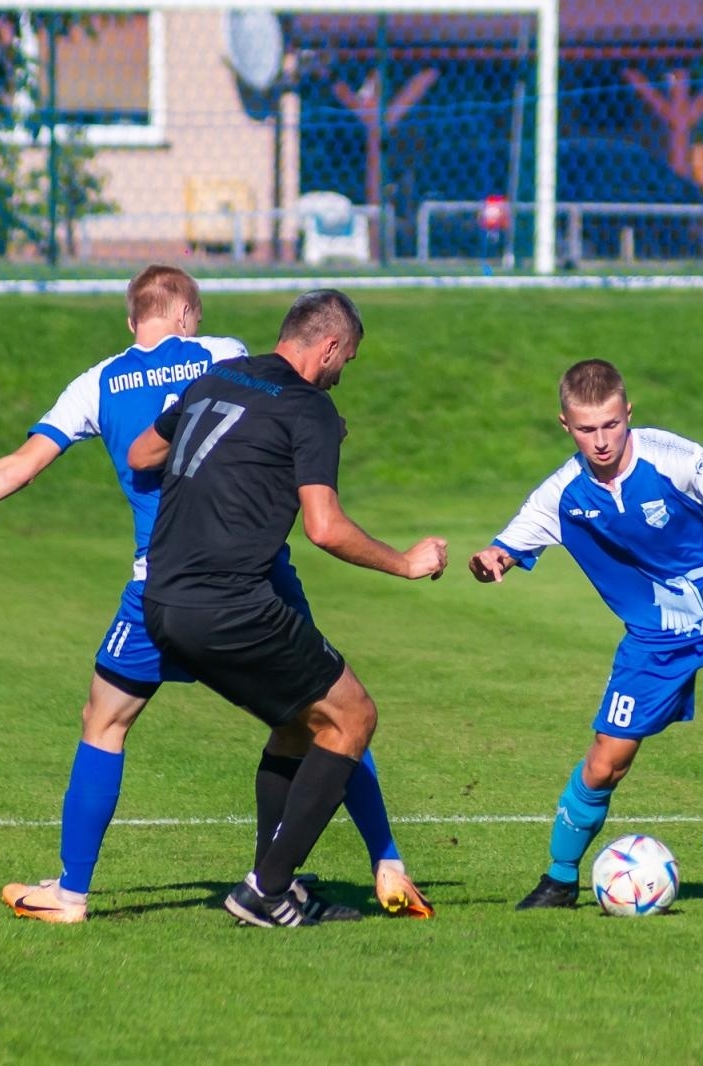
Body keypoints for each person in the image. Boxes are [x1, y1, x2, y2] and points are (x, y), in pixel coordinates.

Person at [0, 266, 432, 923]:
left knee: (104, 723)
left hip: (156, 582)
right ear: (189, 315)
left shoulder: (95, 384)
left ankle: (72, 893)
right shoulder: (226, 355)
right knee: (329, 710)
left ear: (132, 321)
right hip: (258, 575)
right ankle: (378, 860)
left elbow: (23, 468)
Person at [128, 288, 448, 928]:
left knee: (298, 724)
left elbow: (142, 453)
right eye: (346, 360)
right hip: (229, 603)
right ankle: (265, 892)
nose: (341, 374)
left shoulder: (216, 379)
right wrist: (406, 562)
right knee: (353, 716)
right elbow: (324, 528)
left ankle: (273, 881)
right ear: (328, 346)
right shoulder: (311, 410)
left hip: (162, 602)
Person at [467, 359, 703, 909]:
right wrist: (491, 560)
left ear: (627, 414)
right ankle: (559, 878)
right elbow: (508, 546)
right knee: (606, 761)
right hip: (654, 640)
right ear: (566, 426)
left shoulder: (671, 458)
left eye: (612, 425)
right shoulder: (560, 495)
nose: (603, 440)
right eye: (587, 430)